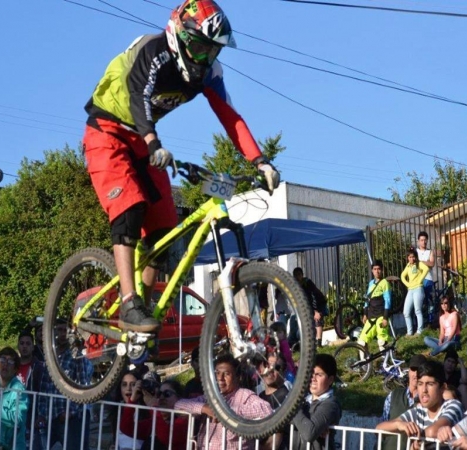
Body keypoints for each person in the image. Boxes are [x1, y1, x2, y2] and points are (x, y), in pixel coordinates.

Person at [82, 0, 280, 334]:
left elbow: (230, 117)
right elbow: (138, 96)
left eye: (213, 50)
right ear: (182, 37)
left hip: (144, 141)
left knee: (165, 233)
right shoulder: (154, 50)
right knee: (130, 209)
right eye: (201, 47)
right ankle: (129, 302)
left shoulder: (209, 73)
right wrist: (152, 141)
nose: (207, 57)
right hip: (108, 131)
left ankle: (141, 306)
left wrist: (260, 161)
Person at [175, 353, 273, 450]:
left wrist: (227, 413)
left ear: (237, 377)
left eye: (226, 374)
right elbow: (178, 405)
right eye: (217, 373)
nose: (220, 378)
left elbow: (267, 410)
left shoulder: (245, 395)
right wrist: (204, 408)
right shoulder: (210, 397)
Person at [376, 360, 463, 450]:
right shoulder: (419, 411)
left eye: (430, 384)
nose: (424, 390)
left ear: (443, 388)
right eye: (420, 384)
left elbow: (432, 431)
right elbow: (379, 429)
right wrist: (398, 425)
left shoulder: (453, 405)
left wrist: (417, 442)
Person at [38, 318, 91, 450]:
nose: (62, 334)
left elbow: (82, 387)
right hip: (50, 416)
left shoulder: (76, 356)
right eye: (59, 330)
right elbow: (44, 386)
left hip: (69, 418)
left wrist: (70, 412)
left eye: (65, 331)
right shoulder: (50, 356)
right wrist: (41, 413)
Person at [289, 354, 341, 450]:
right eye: (311, 373)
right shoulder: (303, 400)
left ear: (330, 380)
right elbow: (283, 421)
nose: (313, 379)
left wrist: (293, 407)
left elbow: (309, 433)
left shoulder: (331, 404)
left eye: (319, 375)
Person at [120, 379, 189, 450]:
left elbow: (166, 436)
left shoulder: (184, 420)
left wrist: (153, 406)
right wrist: (132, 400)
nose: (161, 398)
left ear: (179, 398)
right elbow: (126, 427)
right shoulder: (155, 421)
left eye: (167, 394)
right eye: (159, 394)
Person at [380, 354, 427, 450]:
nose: (416, 374)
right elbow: (382, 425)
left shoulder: (428, 400)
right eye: (413, 369)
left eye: (420, 370)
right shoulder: (393, 395)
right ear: (409, 371)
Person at [16, 329, 45, 448]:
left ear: (33, 347)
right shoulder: (12, 366)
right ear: (18, 346)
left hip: (32, 417)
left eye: (28, 344)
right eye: (22, 343)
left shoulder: (39, 367)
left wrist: (41, 415)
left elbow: (43, 393)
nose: (24, 347)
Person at [358, 259, 392, 354]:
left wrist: (385, 317)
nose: (377, 271)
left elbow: (388, 301)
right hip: (371, 316)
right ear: (372, 271)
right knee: (361, 341)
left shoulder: (385, 283)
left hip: (381, 315)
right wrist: (365, 314)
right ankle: (365, 365)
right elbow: (367, 300)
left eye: (379, 269)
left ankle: (386, 361)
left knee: (381, 341)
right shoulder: (371, 283)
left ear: (382, 270)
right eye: (375, 269)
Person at [293, 267, 328, 348]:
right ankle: (311, 343)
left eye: (299, 275)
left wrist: (316, 311)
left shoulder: (307, 283)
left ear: (302, 275)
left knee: (318, 320)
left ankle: (319, 343)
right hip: (310, 306)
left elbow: (314, 297)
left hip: (318, 303)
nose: (297, 277)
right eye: (295, 275)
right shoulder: (297, 286)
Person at [401, 248, 430, 336]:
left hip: (418, 289)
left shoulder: (419, 264)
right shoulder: (408, 265)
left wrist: (420, 280)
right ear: (408, 258)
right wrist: (407, 284)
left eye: (413, 257)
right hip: (410, 290)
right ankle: (409, 332)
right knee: (406, 312)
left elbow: (426, 269)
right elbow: (402, 275)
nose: (412, 259)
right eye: (410, 257)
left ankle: (419, 331)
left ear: (416, 257)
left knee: (417, 310)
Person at [416, 231, 436, 303]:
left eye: (425, 240)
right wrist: (427, 262)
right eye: (421, 240)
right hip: (417, 279)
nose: (424, 242)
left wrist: (421, 262)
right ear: (418, 241)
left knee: (428, 301)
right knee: (419, 301)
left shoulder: (430, 251)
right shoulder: (415, 251)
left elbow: (432, 264)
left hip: (428, 278)